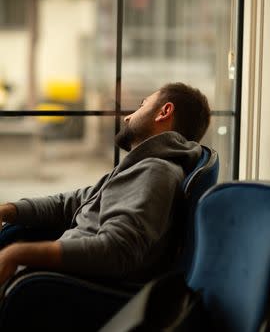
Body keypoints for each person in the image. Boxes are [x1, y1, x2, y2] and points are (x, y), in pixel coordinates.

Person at [0, 82, 210, 286]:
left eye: (142, 105)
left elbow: (118, 250)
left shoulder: (156, 172)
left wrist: (18, 254)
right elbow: (72, 202)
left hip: (67, 289)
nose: (127, 117)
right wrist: (8, 210)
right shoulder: (142, 167)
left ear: (164, 112)